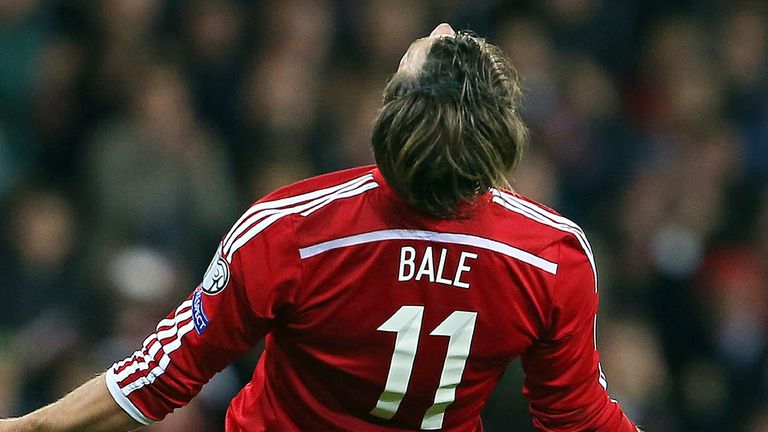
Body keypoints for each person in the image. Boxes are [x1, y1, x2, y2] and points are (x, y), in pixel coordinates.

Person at [0, 23, 640, 432]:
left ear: (388, 117)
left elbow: (161, 375)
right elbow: (577, 416)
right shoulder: (550, 257)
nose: (441, 25)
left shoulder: (293, 231)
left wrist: (32, 427)